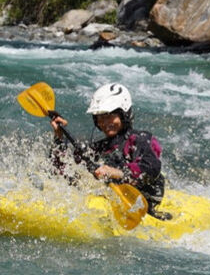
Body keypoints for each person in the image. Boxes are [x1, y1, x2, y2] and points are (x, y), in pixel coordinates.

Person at [50, 83, 168, 219]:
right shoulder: (100, 147)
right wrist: (59, 137)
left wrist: (115, 172)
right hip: (114, 205)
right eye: (100, 117)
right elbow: (62, 170)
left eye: (110, 115)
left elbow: (152, 168)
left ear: (124, 114)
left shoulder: (141, 139)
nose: (104, 122)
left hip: (146, 208)